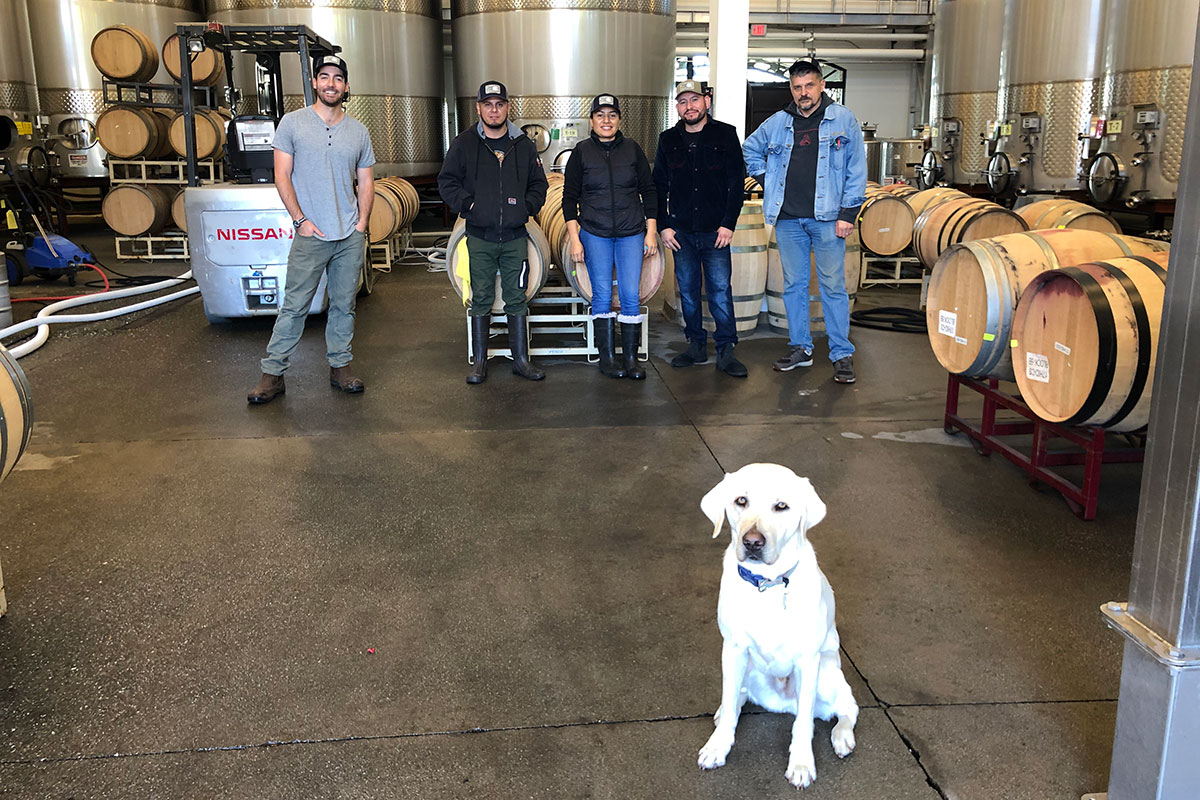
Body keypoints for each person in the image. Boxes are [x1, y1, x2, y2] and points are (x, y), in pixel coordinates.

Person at [247, 54, 375, 404]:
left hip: (348, 234)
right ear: (315, 83)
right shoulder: (292, 123)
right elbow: (281, 175)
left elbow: (366, 182)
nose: (331, 83)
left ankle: (340, 367)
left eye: (338, 78)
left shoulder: (358, 131)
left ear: (346, 86)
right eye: (324, 77)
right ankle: (272, 374)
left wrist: (361, 223)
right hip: (311, 234)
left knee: (344, 305)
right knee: (295, 306)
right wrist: (300, 221)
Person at [743, 59, 866, 384]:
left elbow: (856, 169)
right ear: (791, 90)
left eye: (809, 85)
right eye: (797, 88)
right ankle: (801, 347)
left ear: (822, 84)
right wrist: (767, 178)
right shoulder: (778, 122)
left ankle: (841, 353)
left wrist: (848, 214)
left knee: (833, 287)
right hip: (787, 220)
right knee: (794, 287)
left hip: (828, 220)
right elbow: (749, 149)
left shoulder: (843, 119)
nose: (803, 93)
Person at [438, 80, 549, 384]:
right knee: (481, 296)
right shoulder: (464, 144)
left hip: (515, 236)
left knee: (517, 296)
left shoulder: (523, 145)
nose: (494, 110)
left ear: (507, 107)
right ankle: (479, 362)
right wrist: (470, 206)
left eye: (500, 104)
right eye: (488, 104)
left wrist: (525, 207)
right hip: (479, 237)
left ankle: (521, 360)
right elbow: (447, 182)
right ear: (479, 108)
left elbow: (540, 184)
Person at [653, 80, 747, 378]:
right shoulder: (668, 139)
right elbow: (658, 185)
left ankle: (726, 349)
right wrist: (665, 227)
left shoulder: (725, 134)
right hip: (681, 232)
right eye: (683, 101)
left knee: (720, 290)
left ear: (706, 101)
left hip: (715, 231)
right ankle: (694, 344)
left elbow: (736, 183)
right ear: (677, 107)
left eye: (695, 99)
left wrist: (728, 224)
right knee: (689, 292)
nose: (689, 106)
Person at [562, 93, 658, 380]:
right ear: (591, 120)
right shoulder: (580, 152)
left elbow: (649, 191)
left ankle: (630, 358)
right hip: (594, 232)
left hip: (631, 232)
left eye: (612, 115)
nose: (606, 120)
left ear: (619, 119)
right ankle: (607, 358)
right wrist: (575, 238)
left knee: (630, 295)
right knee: (602, 295)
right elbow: (569, 198)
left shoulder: (632, 149)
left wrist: (650, 231)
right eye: (600, 115)